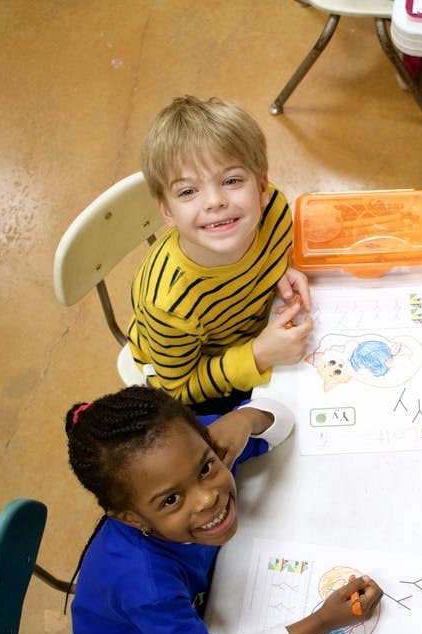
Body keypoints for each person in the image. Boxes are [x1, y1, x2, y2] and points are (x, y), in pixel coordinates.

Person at [65, 386, 383, 634]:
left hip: (199, 609)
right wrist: (323, 621)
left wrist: (246, 418)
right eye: (171, 500)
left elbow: (281, 421)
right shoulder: (143, 581)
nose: (207, 499)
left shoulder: (178, 448)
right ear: (130, 517)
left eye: (206, 468)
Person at [128, 95, 313, 415]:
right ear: (167, 212)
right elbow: (178, 389)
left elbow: (278, 248)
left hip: (257, 331)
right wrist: (257, 355)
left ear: (262, 187)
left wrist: (284, 265)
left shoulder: (276, 211)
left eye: (231, 181)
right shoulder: (168, 303)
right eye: (188, 191)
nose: (214, 201)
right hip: (201, 378)